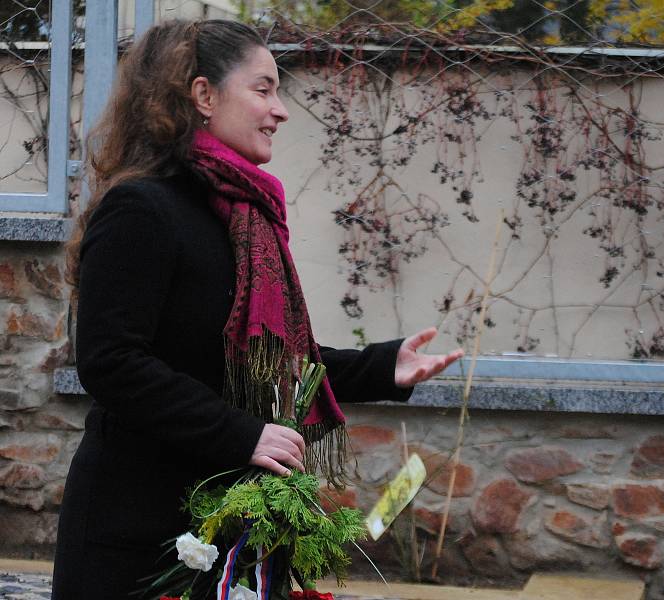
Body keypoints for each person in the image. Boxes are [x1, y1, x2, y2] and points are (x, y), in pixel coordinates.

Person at [53, 19, 463, 599]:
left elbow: (262, 356)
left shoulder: (239, 216)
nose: (282, 110)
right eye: (264, 89)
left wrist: (380, 367)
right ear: (203, 95)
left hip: (224, 526)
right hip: (135, 534)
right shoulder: (141, 208)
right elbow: (110, 360)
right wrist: (241, 433)